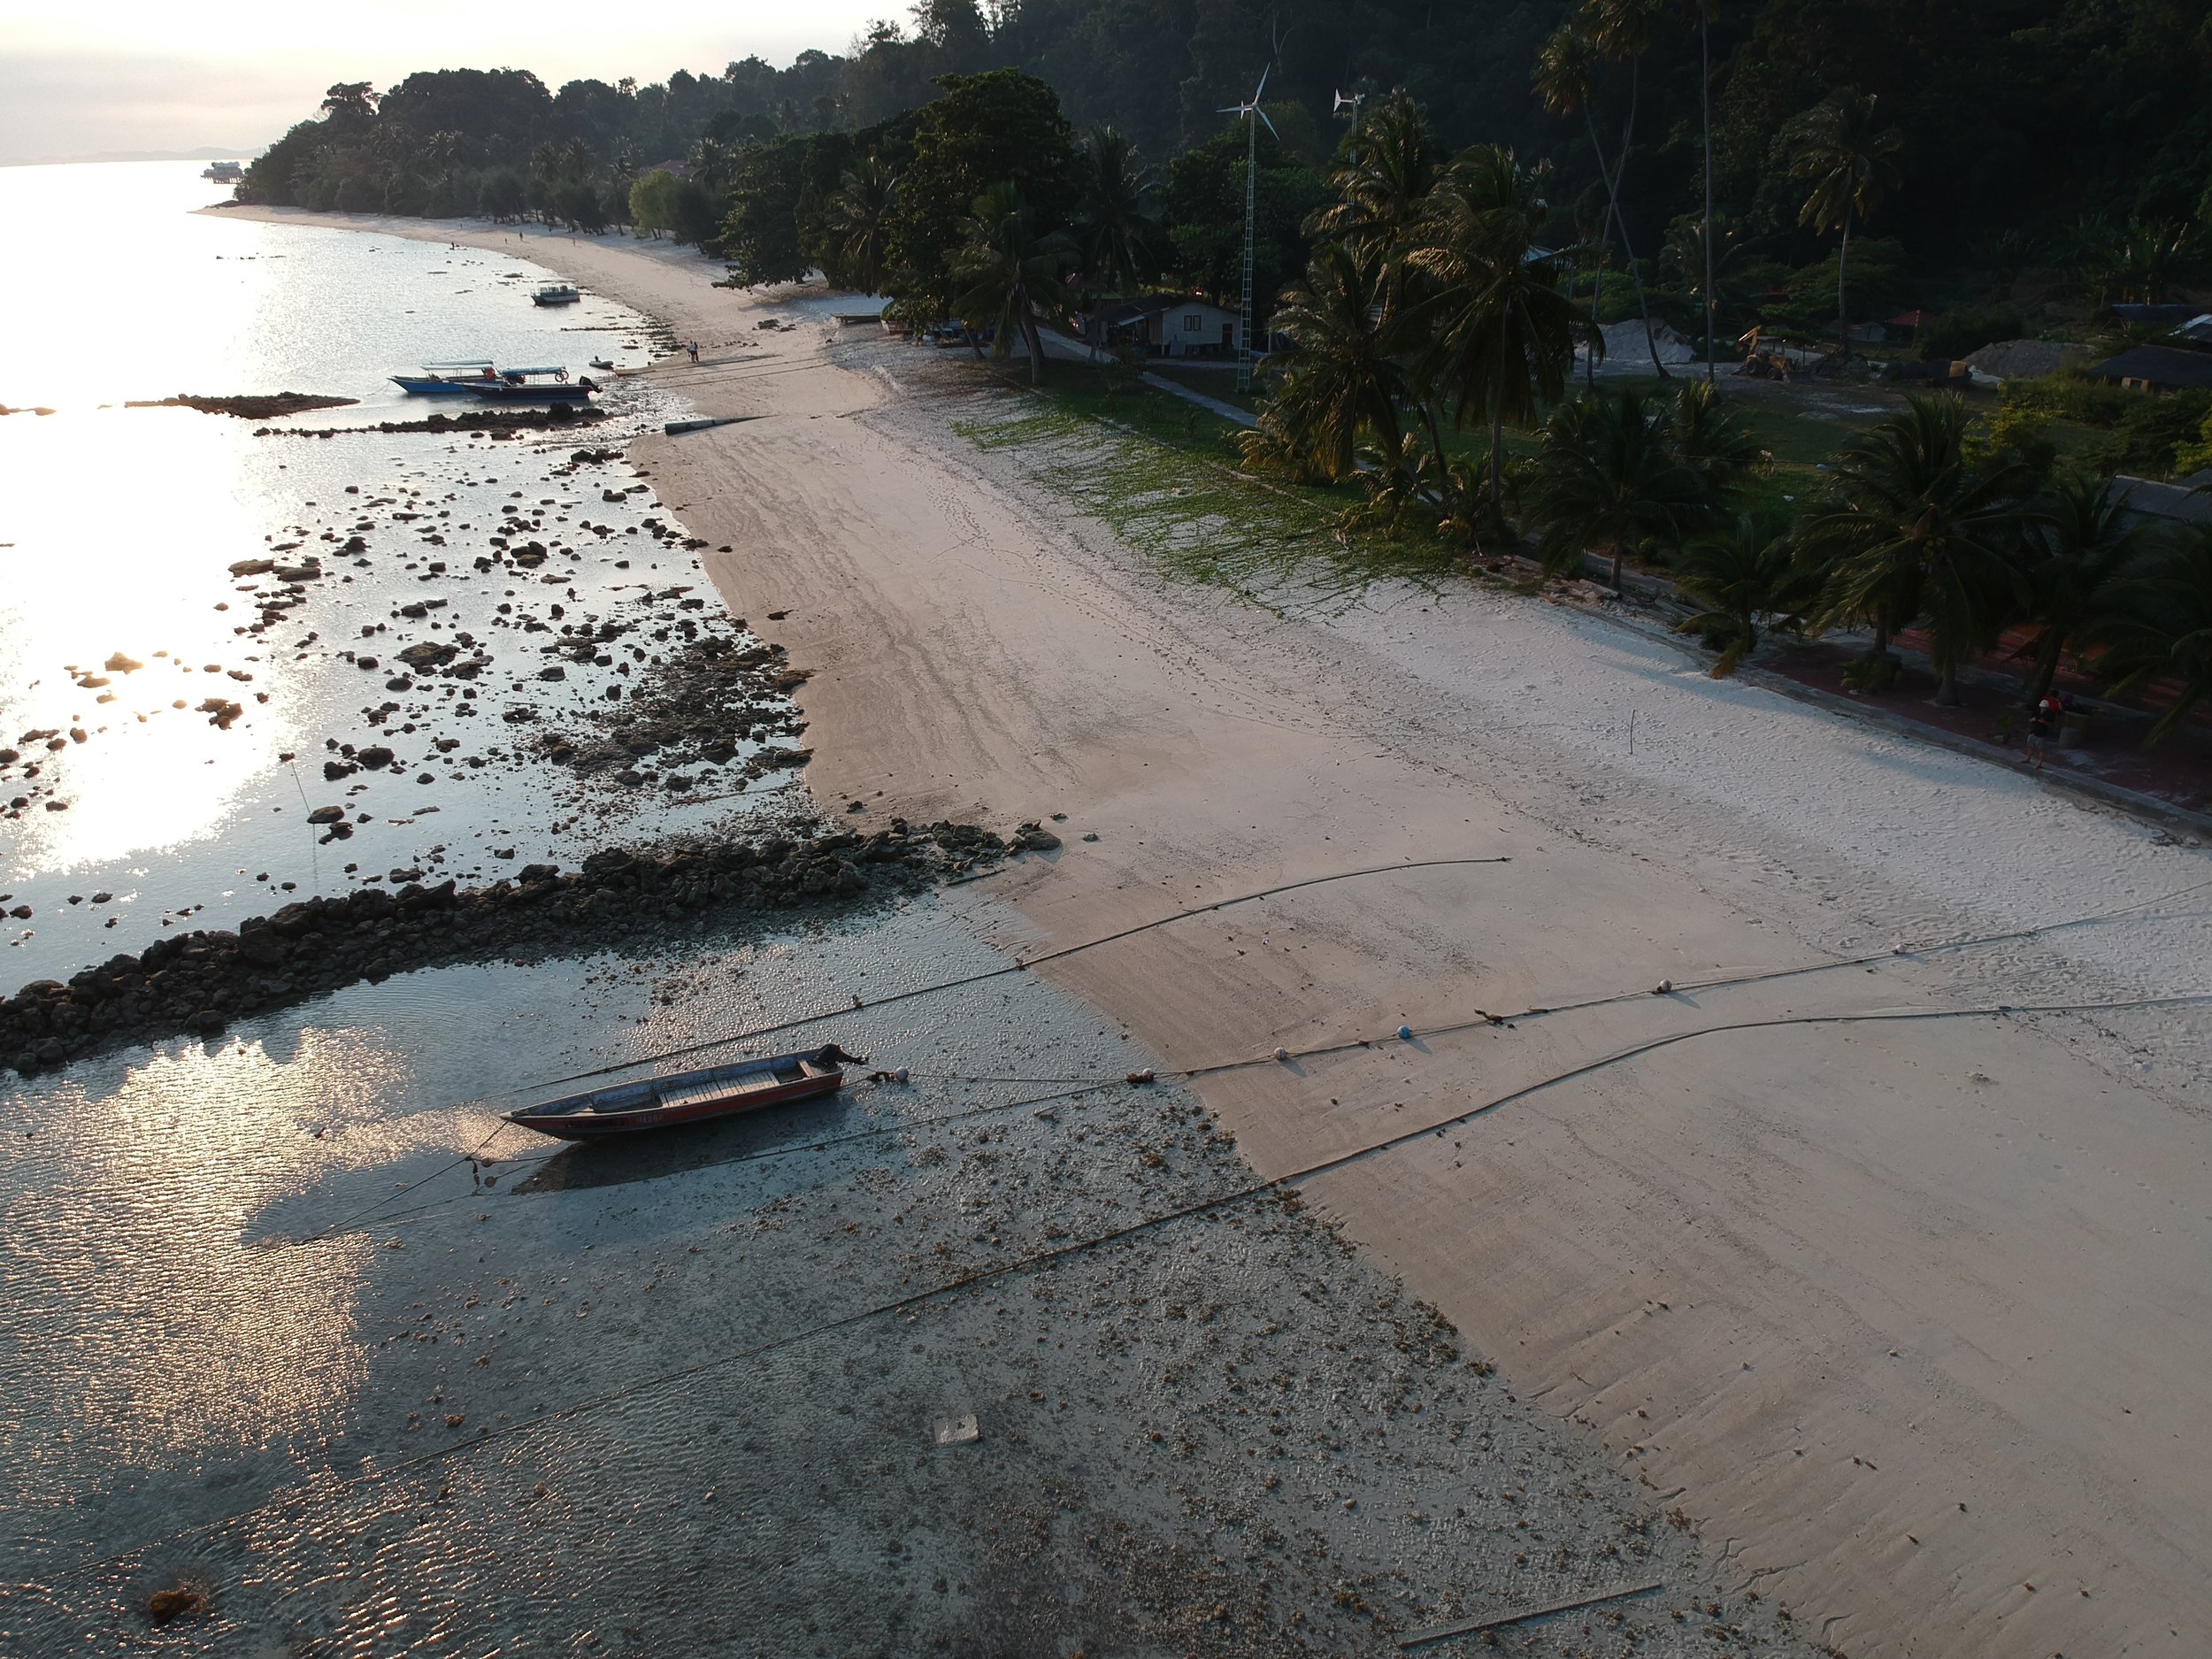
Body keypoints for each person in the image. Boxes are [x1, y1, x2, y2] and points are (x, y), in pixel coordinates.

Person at [2024, 691, 2062, 769]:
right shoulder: (2037, 711)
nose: (2042, 709)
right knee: (2030, 745)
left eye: (2043, 708)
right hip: (2034, 730)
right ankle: (2028, 759)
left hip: (2042, 732)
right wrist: (2033, 719)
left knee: (2041, 748)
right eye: (2041, 707)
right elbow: (2030, 719)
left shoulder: (2050, 714)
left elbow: (2051, 724)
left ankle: (2040, 763)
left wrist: (2044, 722)